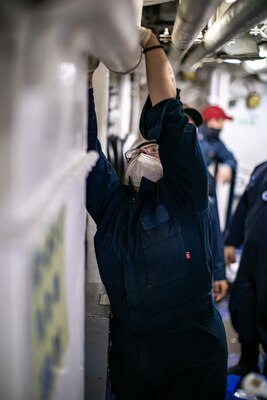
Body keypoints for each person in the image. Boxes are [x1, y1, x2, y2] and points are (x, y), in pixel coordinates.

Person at [86, 27, 227, 400]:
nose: (149, 151)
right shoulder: (113, 207)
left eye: (157, 148)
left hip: (192, 353)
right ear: (129, 160)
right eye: (142, 148)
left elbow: (171, 121)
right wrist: (83, 82)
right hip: (133, 354)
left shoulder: (187, 198)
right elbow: (82, 152)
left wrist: (150, 42)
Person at [224, 161, 267, 377]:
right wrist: (231, 241)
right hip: (250, 256)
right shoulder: (261, 169)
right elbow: (242, 209)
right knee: (243, 306)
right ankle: (247, 361)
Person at [185, 107, 228, 302]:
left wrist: (219, 272)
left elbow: (213, 226)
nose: (188, 134)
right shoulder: (146, 170)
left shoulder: (204, 178)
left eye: (192, 129)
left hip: (192, 274)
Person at [198, 104, 237, 234]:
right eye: (221, 121)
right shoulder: (193, 136)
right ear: (212, 120)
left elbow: (230, 157)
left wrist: (227, 166)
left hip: (203, 197)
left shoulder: (215, 142)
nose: (222, 126)